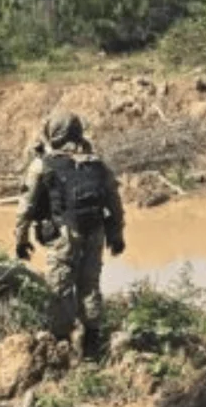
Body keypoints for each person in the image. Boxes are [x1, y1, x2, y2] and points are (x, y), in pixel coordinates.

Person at [14, 112, 126, 360]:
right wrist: (116, 235)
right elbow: (115, 203)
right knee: (90, 286)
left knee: (60, 288)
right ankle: (92, 347)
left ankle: (61, 345)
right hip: (95, 232)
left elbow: (25, 208)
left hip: (64, 235)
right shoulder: (97, 163)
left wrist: (21, 241)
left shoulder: (43, 164)